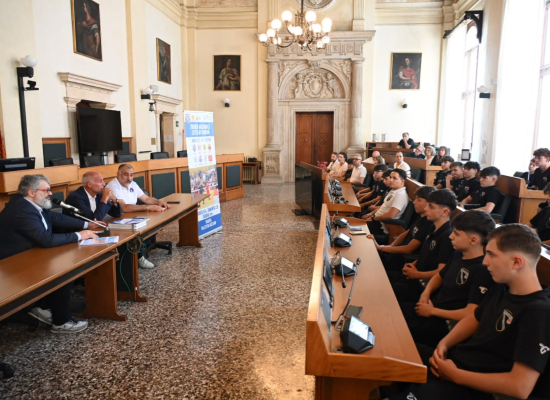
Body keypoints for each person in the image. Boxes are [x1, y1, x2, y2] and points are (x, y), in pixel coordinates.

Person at [386, 224, 550, 400]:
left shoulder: (538, 312)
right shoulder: (503, 287)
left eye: (492, 255)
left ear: (516, 262)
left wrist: (455, 375)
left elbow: (520, 387)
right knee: (390, 348)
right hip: (455, 363)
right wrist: (444, 344)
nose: (485, 261)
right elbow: (474, 318)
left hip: (471, 387)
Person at [0, 175, 98, 333]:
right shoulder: (21, 209)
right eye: (46, 190)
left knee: (64, 262)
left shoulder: (31, 203)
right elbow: (45, 240)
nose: (50, 193)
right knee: (63, 270)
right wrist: (80, 235)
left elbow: (55, 217)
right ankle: (61, 322)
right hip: (11, 265)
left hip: (30, 254)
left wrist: (87, 224)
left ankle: (44, 306)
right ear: (32, 192)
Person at [400, 210, 496, 348]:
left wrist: (432, 311)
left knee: (394, 325)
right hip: (432, 308)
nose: (451, 236)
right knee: (390, 310)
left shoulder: (483, 270)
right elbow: (440, 275)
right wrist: (426, 293)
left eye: (456, 233)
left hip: (443, 323)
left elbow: (470, 313)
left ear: (473, 240)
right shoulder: (458, 254)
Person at [389, 189, 456, 302]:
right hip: (412, 278)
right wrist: (412, 265)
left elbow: (441, 271)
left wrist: (417, 274)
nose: (426, 209)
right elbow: (424, 254)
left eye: (431, 206)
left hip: (420, 287)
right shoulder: (433, 227)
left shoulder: (446, 236)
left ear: (445, 212)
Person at [106, 164, 173, 269]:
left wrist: (158, 202)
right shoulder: (113, 186)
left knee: (155, 225)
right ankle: (139, 256)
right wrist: (148, 208)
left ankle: (138, 250)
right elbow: (123, 207)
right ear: (118, 174)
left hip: (132, 216)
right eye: (126, 174)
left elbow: (146, 198)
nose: (129, 178)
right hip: (118, 220)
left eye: (131, 175)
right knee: (140, 232)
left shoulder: (132, 184)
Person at [368, 186, 436, 270]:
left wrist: (381, 247)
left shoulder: (428, 223)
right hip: (397, 254)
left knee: (371, 262)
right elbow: (405, 233)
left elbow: (408, 249)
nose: (414, 202)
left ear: (429, 204)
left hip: (404, 262)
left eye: (419, 200)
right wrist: (390, 246)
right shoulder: (421, 218)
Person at [362, 169, 410, 237]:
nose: (391, 180)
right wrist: (371, 214)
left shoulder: (400, 195)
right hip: (376, 220)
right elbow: (384, 206)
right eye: (390, 177)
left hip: (381, 226)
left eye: (394, 178)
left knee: (356, 226)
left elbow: (391, 216)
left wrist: (373, 218)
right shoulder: (393, 191)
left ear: (402, 181)